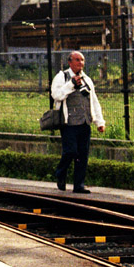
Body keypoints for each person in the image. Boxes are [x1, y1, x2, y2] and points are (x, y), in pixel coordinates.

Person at [51, 51, 105, 193]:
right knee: (70, 151)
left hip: (85, 122)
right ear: (70, 62)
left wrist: (99, 121)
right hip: (69, 123)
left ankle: (78, 185)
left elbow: (94, 101)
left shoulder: (87, 79)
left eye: (82, 60)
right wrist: (71, 85)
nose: (80, 63)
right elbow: (56, 95)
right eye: (77, 60)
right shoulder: (62, 77)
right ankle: (60, 173)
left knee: (82, 154)